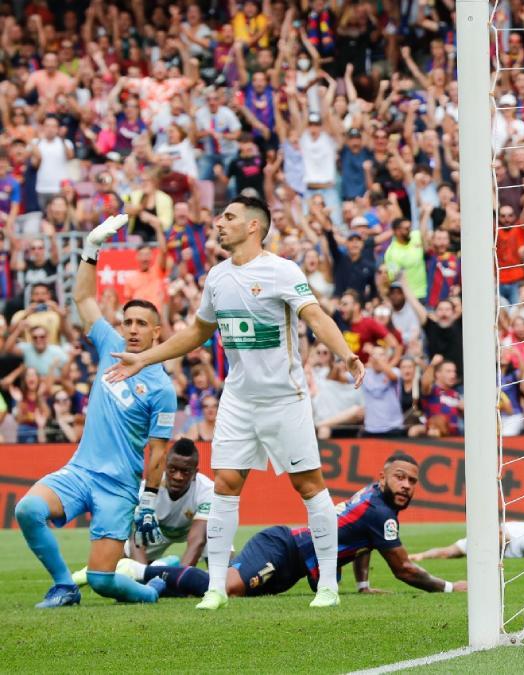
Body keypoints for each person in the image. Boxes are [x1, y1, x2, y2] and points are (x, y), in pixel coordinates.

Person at [105, 195, 366, 610]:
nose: (218, 222)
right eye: (220, 215)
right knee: (226, 484)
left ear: (253, 227)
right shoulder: (217, 278)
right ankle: (215, 589)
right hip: (239, 399)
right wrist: (144, 357)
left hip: (285, 399)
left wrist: (345, 354)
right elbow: (196, 333)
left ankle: (329, 585)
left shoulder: (282, 271)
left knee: (309, 486)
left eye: (228, 217)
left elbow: (315, 317)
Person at [14, 214, 176, 608]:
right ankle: (64, 586)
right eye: (128, 322)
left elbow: (158, 451)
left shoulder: (162, 387)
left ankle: (152, 588)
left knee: (104, 581)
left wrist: (149, 503)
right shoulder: (109, 344)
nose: (133, 329)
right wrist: (91, 249)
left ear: (157, 332)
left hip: (119, 488)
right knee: (28, 509)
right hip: (80, 470)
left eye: (142, 324)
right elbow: (83, 299)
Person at [134, 453, 466, 598]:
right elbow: (404, 569)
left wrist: (363, 586)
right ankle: (140, 573)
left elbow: (366, 542)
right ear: (382, 477)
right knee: (226, 589)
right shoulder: (379, 512)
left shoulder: (374, 501)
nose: (407, 485)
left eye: (412, 480)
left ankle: (164, 582)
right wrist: (450, 587)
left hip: (291, 566)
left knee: (221, 588)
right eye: (400, 477)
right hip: (281, 548)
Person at [71, 439, 215, 585]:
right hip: (155, 533)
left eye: (185, 471)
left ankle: (214, 576)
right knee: (115, 555)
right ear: (165, 466)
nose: (178, 476)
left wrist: (181, 581)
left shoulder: (207, 490)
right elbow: (137, 540)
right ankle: (77, 578)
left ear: (195, 473)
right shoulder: (148, 490)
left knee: (217, 540)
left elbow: (197, 541)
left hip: (194, 530)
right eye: (173, 469)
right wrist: (144, 578)